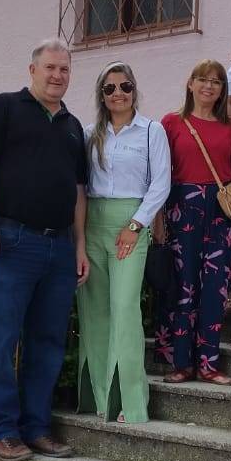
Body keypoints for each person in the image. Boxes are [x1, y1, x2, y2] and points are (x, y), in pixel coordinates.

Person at [0, 40, 89, 461]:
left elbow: (78, 191)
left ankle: (36, 428)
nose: (58, 76)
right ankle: (2, 430)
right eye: (50, 68)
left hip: (59, 248)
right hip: (13, 241)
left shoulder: (74, 127)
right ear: (32, 69)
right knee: (3, 339)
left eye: (65, 70)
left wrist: (79, 246)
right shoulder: (3, 108)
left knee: (48, 341)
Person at [155, 61, 231, 384]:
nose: (209, 86)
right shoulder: (170, 123)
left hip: (222, 214)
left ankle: (209, 364)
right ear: (190, 84)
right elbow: (159, 175)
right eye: (203, 80)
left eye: (217, 82)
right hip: (183, 210)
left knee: (215, 290)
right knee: (183, 286)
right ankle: (181, 363)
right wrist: (155, 220)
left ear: (223, 89)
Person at [76, 61, 171, 425]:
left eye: (125, 86)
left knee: (125, 308)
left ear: (135, 90)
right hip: (93, 222)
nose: (118, 93)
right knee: (95, 311)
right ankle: (100, 397)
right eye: (109, 88)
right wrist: (79, 237)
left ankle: (129, 402)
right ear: (101, 95)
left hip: (131, 223)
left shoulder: (151, 131)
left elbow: (161, 183)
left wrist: (136, 224)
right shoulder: (88, 134)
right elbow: (80, 186)